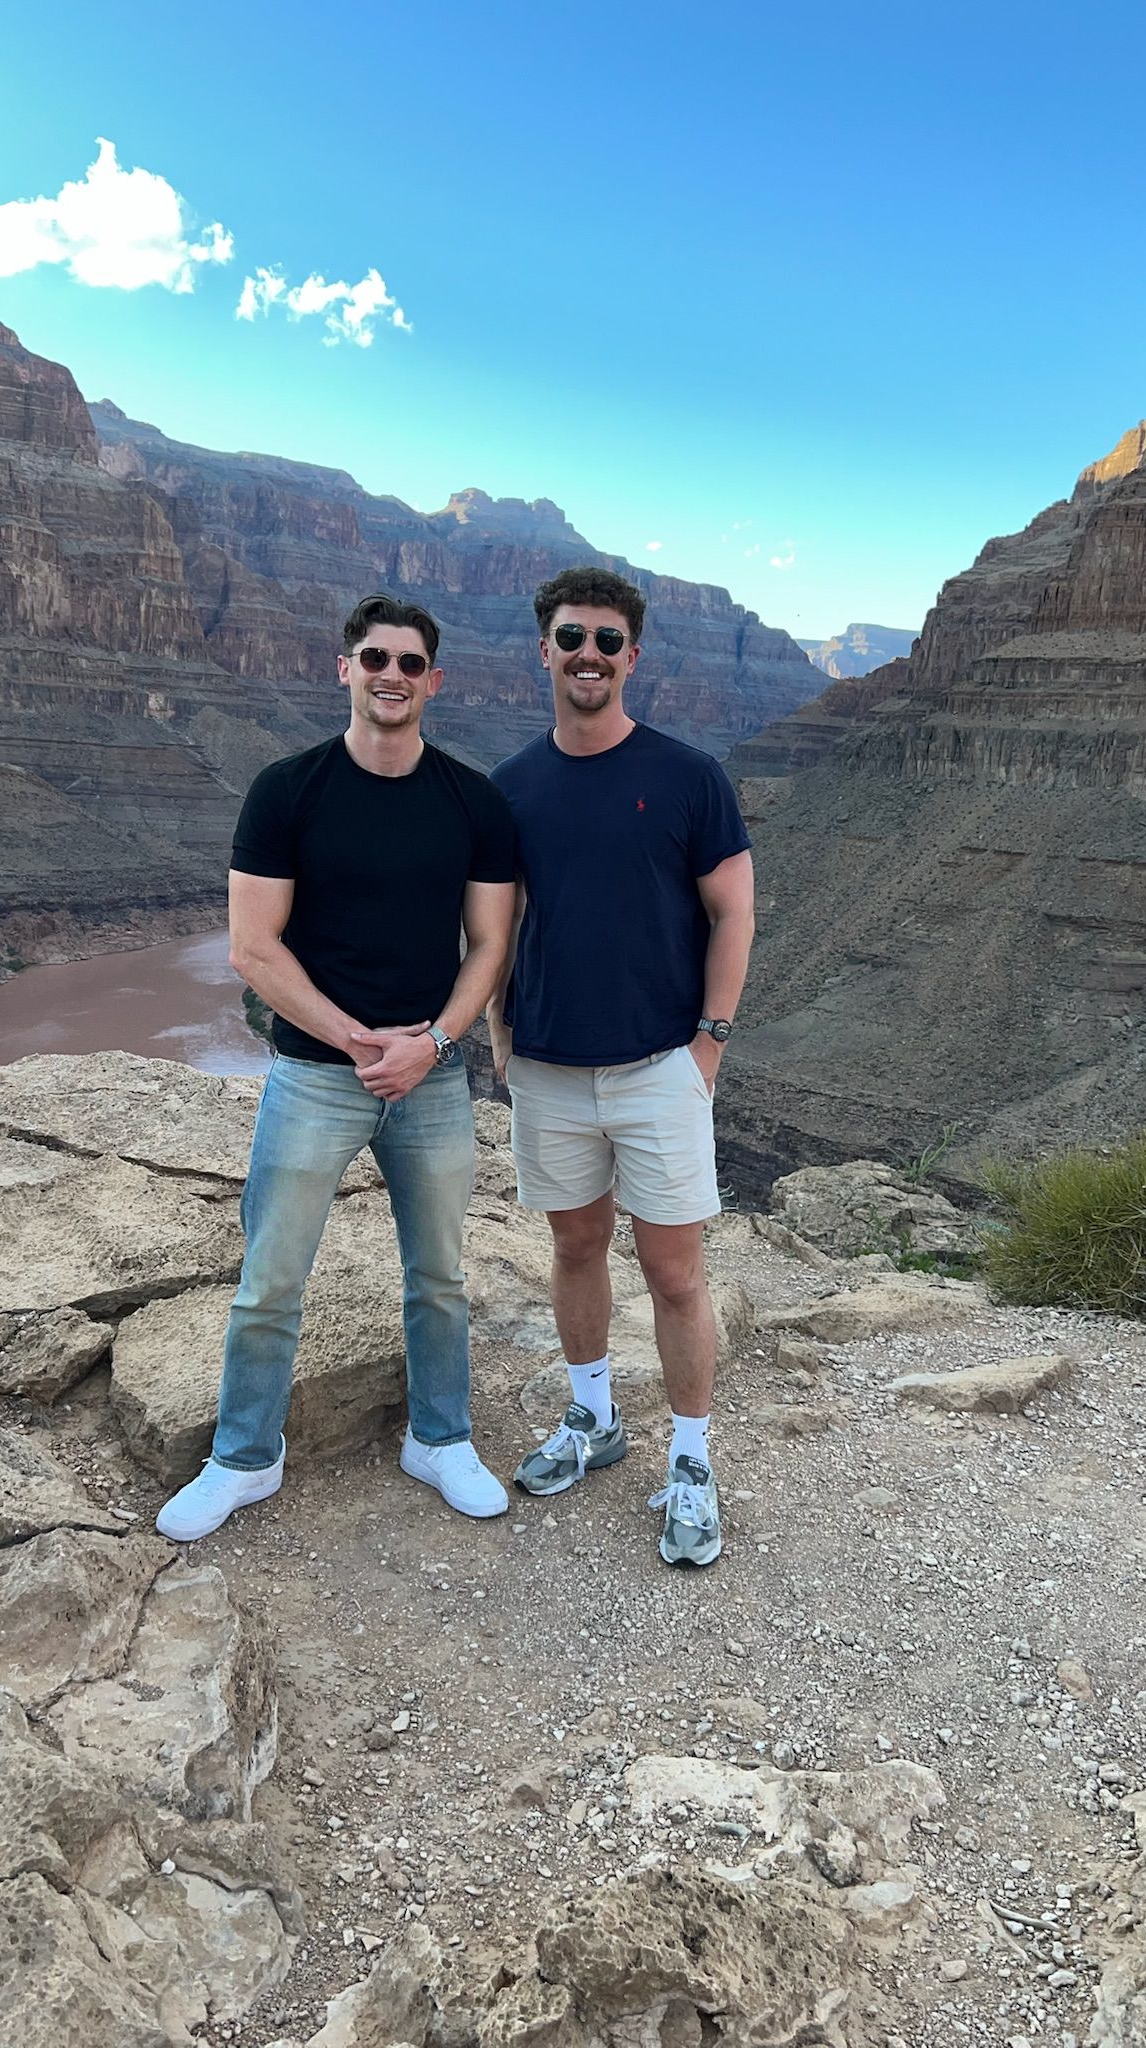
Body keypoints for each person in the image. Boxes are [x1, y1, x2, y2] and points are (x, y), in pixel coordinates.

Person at [156, 593, 517, 1543]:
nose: (391, 674)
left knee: (438, 1272)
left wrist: (432, 1044)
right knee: (272, 1274)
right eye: (374, 658)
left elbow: (489, 944)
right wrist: (359, 1040)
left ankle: (439, 1438)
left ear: (433, 681)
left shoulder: (473, 801)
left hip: (434, 1079)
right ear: (344, 669)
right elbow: (253, 947)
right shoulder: (287, 789)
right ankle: (244, 1456)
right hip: (317, 1074)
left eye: (409, 662)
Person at [486, 566, 755, 1566]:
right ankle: (594, 1419)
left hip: (658, 1067)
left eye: (607, 639)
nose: (588, 653)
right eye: (571, 637)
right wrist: (500, 1038)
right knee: (574, 1246)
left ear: (631, 656)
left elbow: (734, 910)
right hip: (551, 1065)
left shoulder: (690, 776)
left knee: (676, 1273)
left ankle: (691, 1460)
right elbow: (497, 923)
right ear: (543, 650)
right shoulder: (510, 786)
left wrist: (709, 1044)